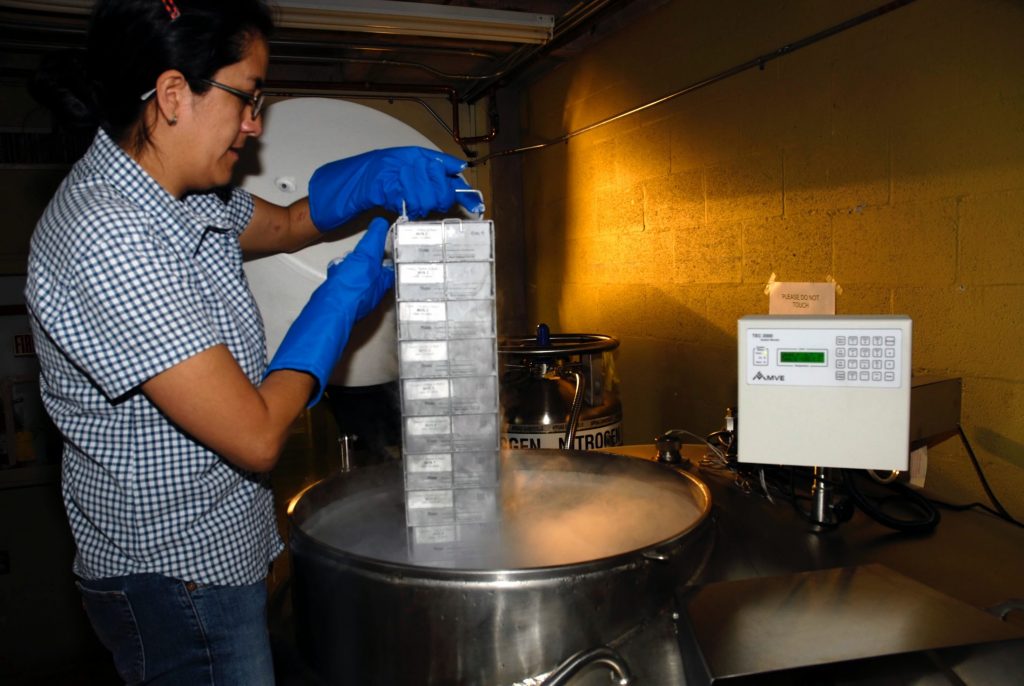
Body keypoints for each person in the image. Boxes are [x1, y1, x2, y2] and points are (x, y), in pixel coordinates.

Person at [25, 0, 482, 683]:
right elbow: (257, 435)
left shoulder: (179, 196)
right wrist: (337, 307)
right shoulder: (108, 234)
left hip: (216, 558)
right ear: (173, 94)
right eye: (247, 97)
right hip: (175, 583)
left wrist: (371, 177)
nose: (255, 124)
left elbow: (288, 224)